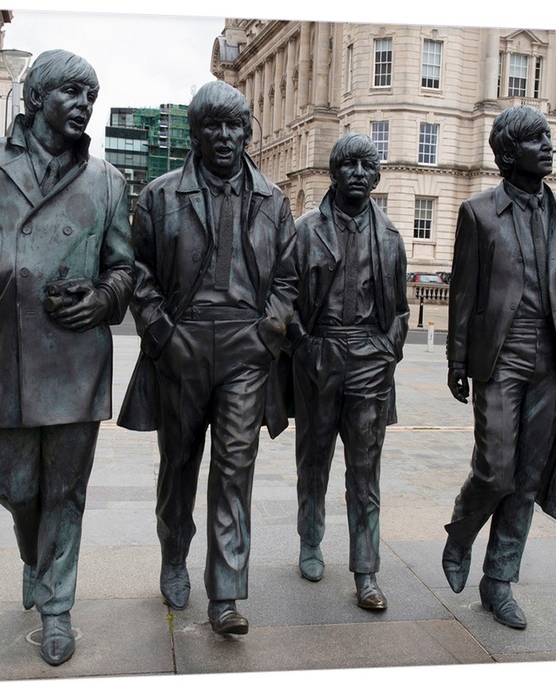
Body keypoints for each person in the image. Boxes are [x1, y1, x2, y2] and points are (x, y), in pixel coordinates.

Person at [0, 49, 134, 665]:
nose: (84, 105)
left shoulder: (108, 181)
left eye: (91, 95)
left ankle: (57, 608)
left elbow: (125, 268)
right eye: (72, 92)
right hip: (3, 357)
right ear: (37, 98)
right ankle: (34, 558)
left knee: (66, 491)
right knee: (16, 488)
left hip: (76, 357)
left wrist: (103, 298)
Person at [118, 80, 297, 636]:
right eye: (212, 126)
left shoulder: (273, 200)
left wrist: (269, 331)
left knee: (235, 468)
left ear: (247, 132)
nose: (224, 136)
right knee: (179, 465)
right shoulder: (160, 196)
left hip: (247, 347)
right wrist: (161, 333)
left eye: (234, 125)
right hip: (183, 343)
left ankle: (226, 593)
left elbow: (288, 278)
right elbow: (138, 271)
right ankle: (174, 554)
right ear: (195, 134)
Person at [442, 105, 556, 629]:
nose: (548, 146)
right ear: (508, 152)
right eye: (535, 139)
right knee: (495, 468)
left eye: (548, 138)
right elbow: (464, 293)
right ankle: (461, 531)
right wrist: (457, 358)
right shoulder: (478, 213)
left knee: (526, 477)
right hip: (500, 355)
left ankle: (499, 581)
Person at [288, 133, 408, 609]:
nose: (358, 173)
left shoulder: (390, 236)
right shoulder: (305, 230)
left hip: (369, 357)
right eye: (348, 164)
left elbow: (400, 309)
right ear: (333, 172)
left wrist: (386, 351)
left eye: (367, 165)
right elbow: (284, 296)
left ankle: (367, 571)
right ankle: (310, 539)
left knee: (365, 469)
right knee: (313, 460)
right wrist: (303, 346)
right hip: (319, 353)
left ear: (376, 176)